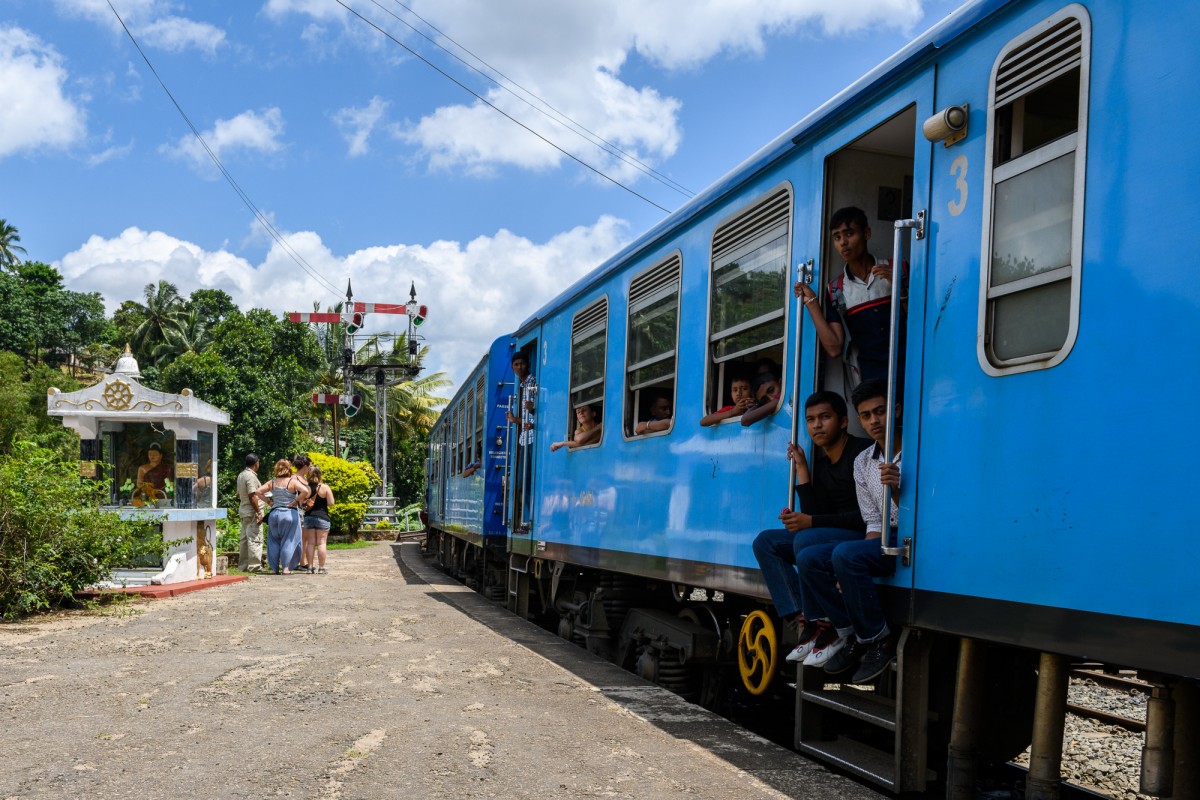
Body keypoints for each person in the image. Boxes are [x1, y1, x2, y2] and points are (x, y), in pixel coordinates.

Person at [752, 391, 872, 663]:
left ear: (843, 422)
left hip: (862, 537)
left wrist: (811, 523)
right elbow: (818, 513)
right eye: (810, 420)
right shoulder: (823, 463)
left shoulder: (862, 453)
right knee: (765, 542)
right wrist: (803, 470)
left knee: (806, 538)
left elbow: (867, 517)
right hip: (831, 537)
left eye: (824, 417)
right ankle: (805, 618)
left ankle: (827, 621)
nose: (816, 425)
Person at [795, 379, 902, 683]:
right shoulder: (863, 462)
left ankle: (879, 639)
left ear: (895, 411)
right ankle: (847, 632)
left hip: (909, 539)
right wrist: (857, 559)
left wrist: (896, 491)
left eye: (880, 412)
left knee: (843, 552)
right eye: (866, 415)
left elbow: (920, 515)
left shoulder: (918, 453)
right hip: (881, 539)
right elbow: (873, 521)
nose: (874, 421)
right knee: (810, 558)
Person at [796, 206, 906, 386]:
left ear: (867, 233)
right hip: (870, 379)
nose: (843, 243)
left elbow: (921, 322)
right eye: (837, 237)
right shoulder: (836, 289)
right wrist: (811, 303)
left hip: (910, 368)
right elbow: (834, 348)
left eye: (849, 234)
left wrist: (900, 290)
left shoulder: (898, 269)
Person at [255, 459, 310, 575]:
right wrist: (295, 501)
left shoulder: (273, 482)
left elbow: (258, 492)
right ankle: (286, 568)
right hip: (289, 513)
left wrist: (269, 502)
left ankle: (275, 569)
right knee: (288, 540)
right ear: (289, 468)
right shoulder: (292, 482)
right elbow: (305, 491)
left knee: (273, 541)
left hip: (274, 514)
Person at [505, 351, 536, 528]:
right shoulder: (522, 384)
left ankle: (529, 517)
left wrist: (532, 412)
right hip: (524, 438)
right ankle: (527, 515)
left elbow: (536, 411)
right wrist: (515, 420)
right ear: (512, 367)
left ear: (527, 364)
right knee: (520, 482)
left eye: (522, 364)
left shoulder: (532, 383)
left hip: (531, 438)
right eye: (516, 364)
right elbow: (526, 417)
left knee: (527, 481)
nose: (519, 367)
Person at [301, 465, 336, 575]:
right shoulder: (325, 488)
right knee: (321, 543)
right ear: (320, 474)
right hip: (322, 517)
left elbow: (301, 503)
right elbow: (331, 503)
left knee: (310, 543)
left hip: (309, 517)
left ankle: (310, 567)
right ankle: (321, 568)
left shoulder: (305, 488)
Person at [235, 453, 264, 572]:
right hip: (251, 511)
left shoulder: (241, 475)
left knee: (245, 539)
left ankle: (243, 565)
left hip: (244, 510)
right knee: (254, 538)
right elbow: (252, 496)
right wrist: (258, 512)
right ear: (256, 463)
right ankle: (254, 566)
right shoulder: (251, 476)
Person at [292, 454, 314, 571]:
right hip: (297, 509)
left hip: (304, 510)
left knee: (304, 537)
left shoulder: (304, 479)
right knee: (297, 537)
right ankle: (295, 561)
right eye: (308, 466)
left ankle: (302, 561)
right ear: (304, 466)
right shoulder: (294, 478)